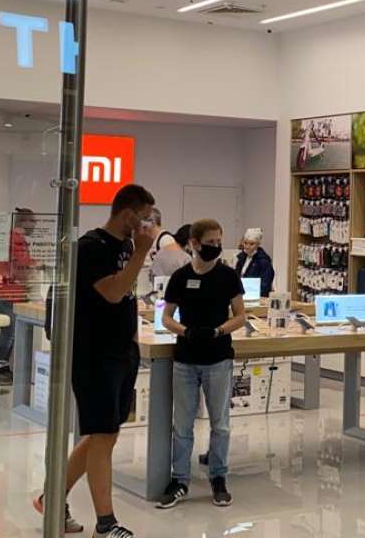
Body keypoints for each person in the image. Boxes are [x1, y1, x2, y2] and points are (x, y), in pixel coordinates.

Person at [34, 184, 157, 537]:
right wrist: (141, 253)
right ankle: (106, 523)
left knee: (104, 434)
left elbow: (128, 295)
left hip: (122, 351)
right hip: (94, 354)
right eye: (144, 218)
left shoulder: (126, 246)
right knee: (101, 435)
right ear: (128, 214)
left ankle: (51, 497)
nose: (148, 226)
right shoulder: (91, 247)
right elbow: (114, 292)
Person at [156, 218, 246, 510]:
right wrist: (186, 332)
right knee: (182, 424)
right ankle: (180, 479)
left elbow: (240, 315)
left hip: (218, 358)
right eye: (210, 243)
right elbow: (166, 317)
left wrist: (218, 331)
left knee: (220, 424)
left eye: (218, 242)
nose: (215, 247)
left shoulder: (228, 276)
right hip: (185, 359)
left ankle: (218, 477)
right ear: (194, 244)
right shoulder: (180, 277)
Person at [0, 208, 38, 382]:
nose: (35, 225)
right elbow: (23, 266)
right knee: (10, 332)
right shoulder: (16, 240)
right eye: (33, 221)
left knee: (11, 331)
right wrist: (40, 265)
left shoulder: (13, 238)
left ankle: (1, 368)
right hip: (4, 293)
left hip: (6, 292)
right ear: (24, 221)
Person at [146, 208, 191, 295]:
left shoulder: (165, 240)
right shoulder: (152, 239)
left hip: (162, 288)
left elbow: (171, 268)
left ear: (152, 222)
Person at [234, 228, 275, 297]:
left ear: (258, 244)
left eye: (251, 244)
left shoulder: (264, 261)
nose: (247, 247)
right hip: (241, 296)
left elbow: (265, 285)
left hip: (257, 298)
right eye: (245, 243)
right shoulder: (241, 258)